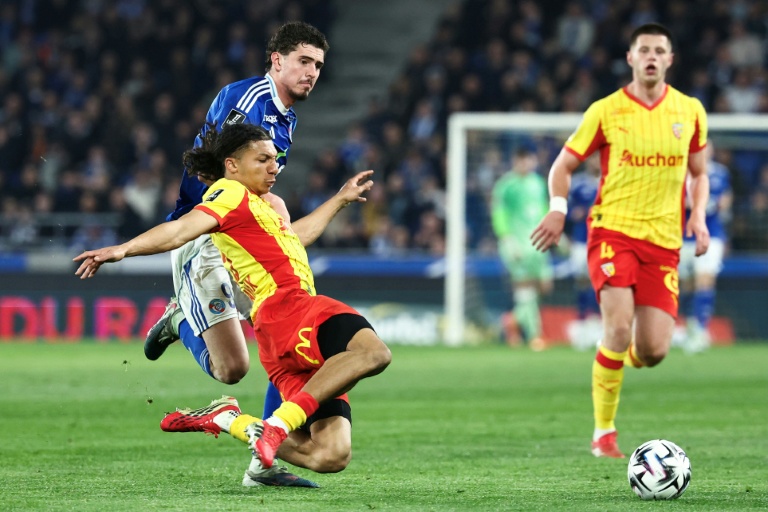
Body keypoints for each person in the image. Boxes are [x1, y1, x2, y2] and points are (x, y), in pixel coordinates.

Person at [74, 123, 392, 483]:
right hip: (292, 309)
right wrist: (123, 249)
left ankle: (228, 418)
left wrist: (338, 200)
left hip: (279, 334)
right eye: (263, 159)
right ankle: (277, 425)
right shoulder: (229, 194)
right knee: (374, 353)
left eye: (275, 160)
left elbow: (296, 238)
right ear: (233, 165)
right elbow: (180, 230)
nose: (274, 167)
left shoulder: (261, 209)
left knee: (329, 455)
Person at [142, 21, 329, 487]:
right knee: (232, 369)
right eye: (304, 61)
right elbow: (212, 169)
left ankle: (262, 465)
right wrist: (263, 211)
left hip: (247, 233)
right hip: (206, 230)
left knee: (290, 335)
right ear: (276, 60)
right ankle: (180, 319)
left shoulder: (286, 118)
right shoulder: (246, 102)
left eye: (319, 66)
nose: (312, 73)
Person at [530, 22, 710, 458]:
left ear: (670, 59)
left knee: (653, 351)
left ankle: (612, 357)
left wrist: (699, 217)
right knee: (616, 325)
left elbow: (700, 173)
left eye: (659, 50)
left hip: (664, 243)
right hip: (613, 232)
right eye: (643, 50)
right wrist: (557, 209)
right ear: (631, 58)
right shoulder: (606, 111)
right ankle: (603, 433)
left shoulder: (690, 112)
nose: (651, 56)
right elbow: (562, 166)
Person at [491, 147, 552, 349]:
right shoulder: (506, 185)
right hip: (517, 245)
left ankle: (513, 320)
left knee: (544, 286)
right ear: (516, 162)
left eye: (529, 160)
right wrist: (506, 239)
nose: (526, 164)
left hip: (538, 245)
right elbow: (498, 213)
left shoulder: (539, 183)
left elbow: (543, 210)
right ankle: (536, 336)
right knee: (526, 289)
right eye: (522, 160)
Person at [679, 141, 732, 353]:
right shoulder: (682, 172)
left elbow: (726, 199)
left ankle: (701, 330)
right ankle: (689, 326)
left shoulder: (720, 173)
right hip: (684, 236)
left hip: (712, 234)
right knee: (686, 285)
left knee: (705, 279)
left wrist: (715, 205)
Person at [565, 155, 602, 350]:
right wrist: (575, 213)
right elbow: (568, 211)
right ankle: (582, 322)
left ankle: (597, 323)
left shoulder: (611, 181)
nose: (595, 162)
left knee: (602, 282)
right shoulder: (577, 183)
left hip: (604, 241)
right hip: (581, 241)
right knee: (582, 280)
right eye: (592, 159)